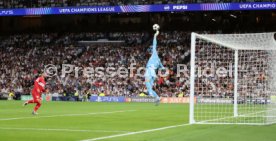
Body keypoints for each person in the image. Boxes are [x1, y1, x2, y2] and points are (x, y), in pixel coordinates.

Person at [145, 29, 165, 106]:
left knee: (147, 83)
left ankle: (151, 94)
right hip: (154, 73)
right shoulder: (159, 61)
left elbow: (154, 44)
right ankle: (157, 98)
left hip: (149, 70)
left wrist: (155, 36)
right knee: (149, 86)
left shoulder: (154, 54)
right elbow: (163, 68)